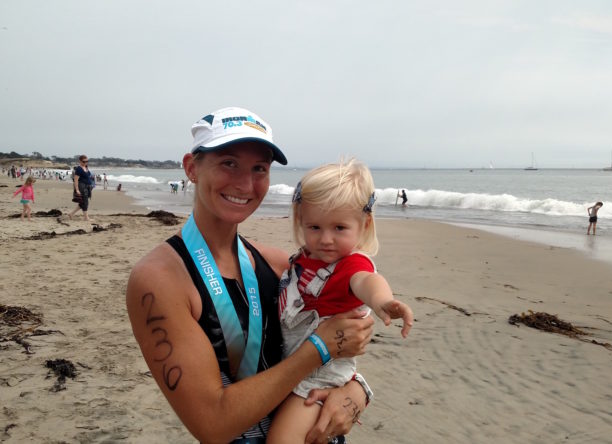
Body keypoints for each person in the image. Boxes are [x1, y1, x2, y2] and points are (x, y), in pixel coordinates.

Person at [126, 107, 374, 444]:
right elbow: (212, 425)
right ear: (191, 168)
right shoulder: (159, 281)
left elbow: (339, 342)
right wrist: (319, 348)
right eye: (229, 163)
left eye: (259, 169)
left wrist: (357, 392)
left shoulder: (280, 265)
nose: (245, 184)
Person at [267, 159, 414, 443]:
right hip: (290, 367)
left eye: (339, 228)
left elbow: (367, 281)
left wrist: (383, 301)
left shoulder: (350, 265)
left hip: (318, 380)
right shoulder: (304, 260)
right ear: (300, 221)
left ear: (364, 224)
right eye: (315, 227)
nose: (326, 239)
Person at [68, 155, 92, 221]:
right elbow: (76, 180)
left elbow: (88, 177)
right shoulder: (79, 169)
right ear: (80, 161)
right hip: (81, 187)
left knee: (82, 202)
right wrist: (77, 189)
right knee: (85, 202)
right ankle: (86, 218)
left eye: (87, 161)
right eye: (84, 161)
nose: (85, 163)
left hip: (87, 187)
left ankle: (71, 214)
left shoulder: (86, 167)